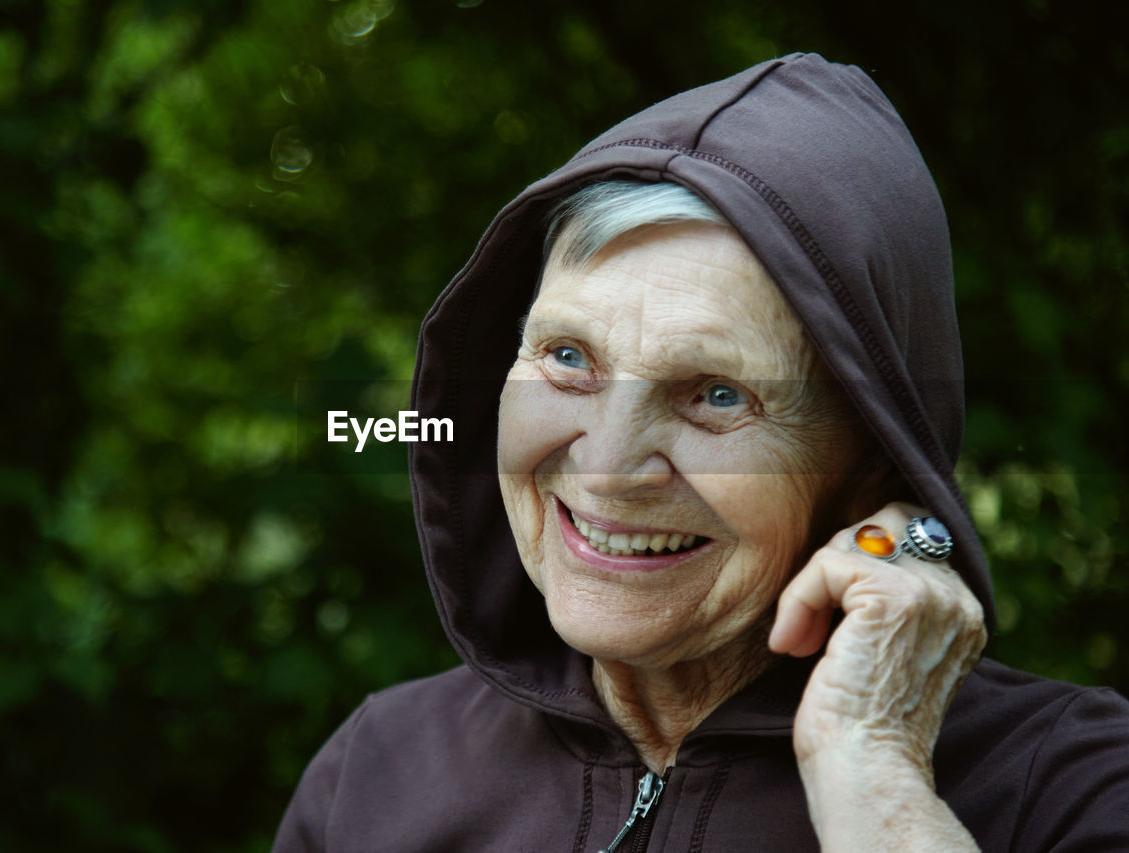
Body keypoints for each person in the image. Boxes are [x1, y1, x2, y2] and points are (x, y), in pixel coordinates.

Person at [273, 53, 1129, 851]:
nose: (607, 463)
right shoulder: (375, 775)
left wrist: (872, 774)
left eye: (718, 394)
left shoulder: (1071, 785)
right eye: (568, 358)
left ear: (875, 453)